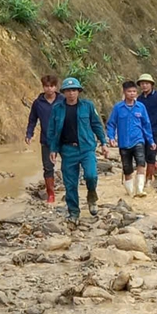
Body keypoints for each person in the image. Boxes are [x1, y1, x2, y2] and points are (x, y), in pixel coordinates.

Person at [47, 78, 107, 222]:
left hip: (86, 148)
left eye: (74, 90)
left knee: (91, 175)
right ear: (63, 92)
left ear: (79, 91)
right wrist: (53, 149)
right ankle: (74, 212)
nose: (71, 93)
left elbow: (96, 125)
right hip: (68, 150)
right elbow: (52, 130)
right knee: (70, 183)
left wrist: (103, 143)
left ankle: (92, 196)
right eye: (68, 90)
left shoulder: (88, 106)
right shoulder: (57, 108)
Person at [106, 80, 156, 197]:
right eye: (129, 91)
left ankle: (139, 190)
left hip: (138, 140)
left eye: (134, 91)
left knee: (141, 163)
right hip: (124, 143)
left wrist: (151, 141)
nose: (132, 94)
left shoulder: (140, 107)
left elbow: (146, 125)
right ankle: (130, 193)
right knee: (127, 169)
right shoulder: (118, 108)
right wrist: (111, 137)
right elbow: (111, 124)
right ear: (124, 92)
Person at [25, 73, 61, 205]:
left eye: (52, 86)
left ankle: (71, 189)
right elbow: (32, 120)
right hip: (47, 139)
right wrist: (29, 134)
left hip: (64, 138)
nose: (49, 89)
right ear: (43, 87)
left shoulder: (63, 100)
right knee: (48, 167)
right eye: (46, 86)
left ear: (56, 87)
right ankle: (51, 194)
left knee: (69, 164)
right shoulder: (38, 103)